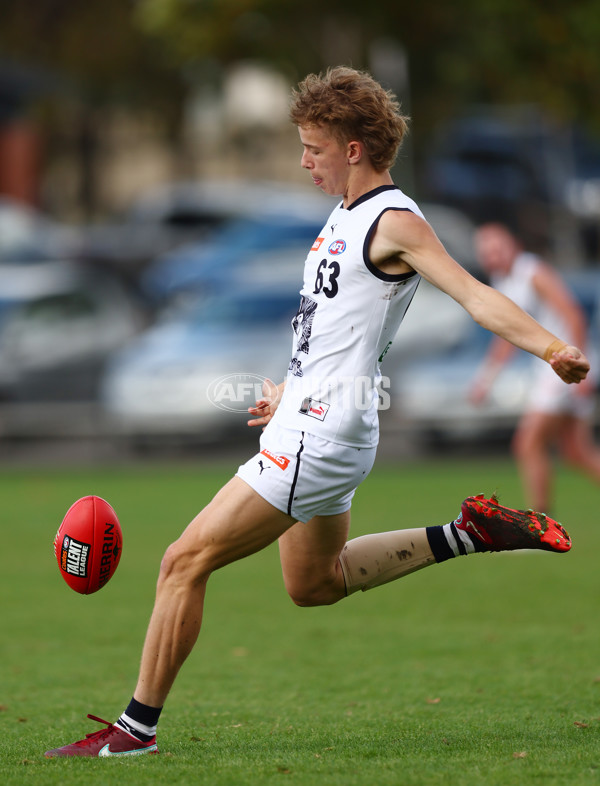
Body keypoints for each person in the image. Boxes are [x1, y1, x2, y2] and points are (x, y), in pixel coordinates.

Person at [44, 67, 590, 758]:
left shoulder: (396, 220)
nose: (304, 160)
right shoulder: (345, 215)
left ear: (354, 146)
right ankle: (468, 534)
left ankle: (133, 732)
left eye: (313, 147)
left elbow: (475, 295)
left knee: (183, 561)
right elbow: (334, 327)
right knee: (314, 585)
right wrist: (288, 388)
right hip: (317, 421)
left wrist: (551, 348)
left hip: (321, 435)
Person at [470, 222, 600, 513]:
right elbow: (507, 339)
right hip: (554, 369)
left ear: (513, 245)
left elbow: (573, 315)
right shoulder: (505, 282)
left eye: (497, 248)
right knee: (577, 453)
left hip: (563, 367)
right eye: (486, 252)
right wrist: (486, 379)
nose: (492, 256)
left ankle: (539, 525)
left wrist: (582, 366)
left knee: (527, 444)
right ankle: (543, 523)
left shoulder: (532, 271)